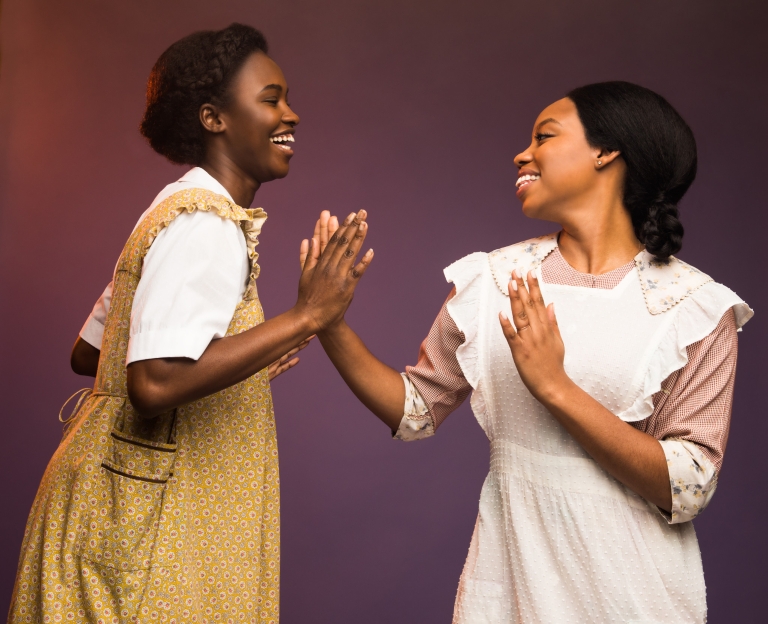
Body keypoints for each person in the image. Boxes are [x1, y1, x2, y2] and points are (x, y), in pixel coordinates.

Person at [313, 81, 753, 623]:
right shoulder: (493, 279)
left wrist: (556, 388)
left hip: (635, 599)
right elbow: (415, 410)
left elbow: (688, 486)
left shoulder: (693, 307)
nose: (522, 153)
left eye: (544, 136)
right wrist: (327, 324)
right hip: (508, 593)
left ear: (605, 151)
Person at [9, 23, 373, 623]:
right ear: (213, 118)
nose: (292, 114)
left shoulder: (173, 208)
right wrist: (306, 315)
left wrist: (238, 361)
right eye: (271, 98)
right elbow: (151, 383)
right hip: (135, 531)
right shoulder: (205, 224)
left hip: (105, 509)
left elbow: (90, 353)